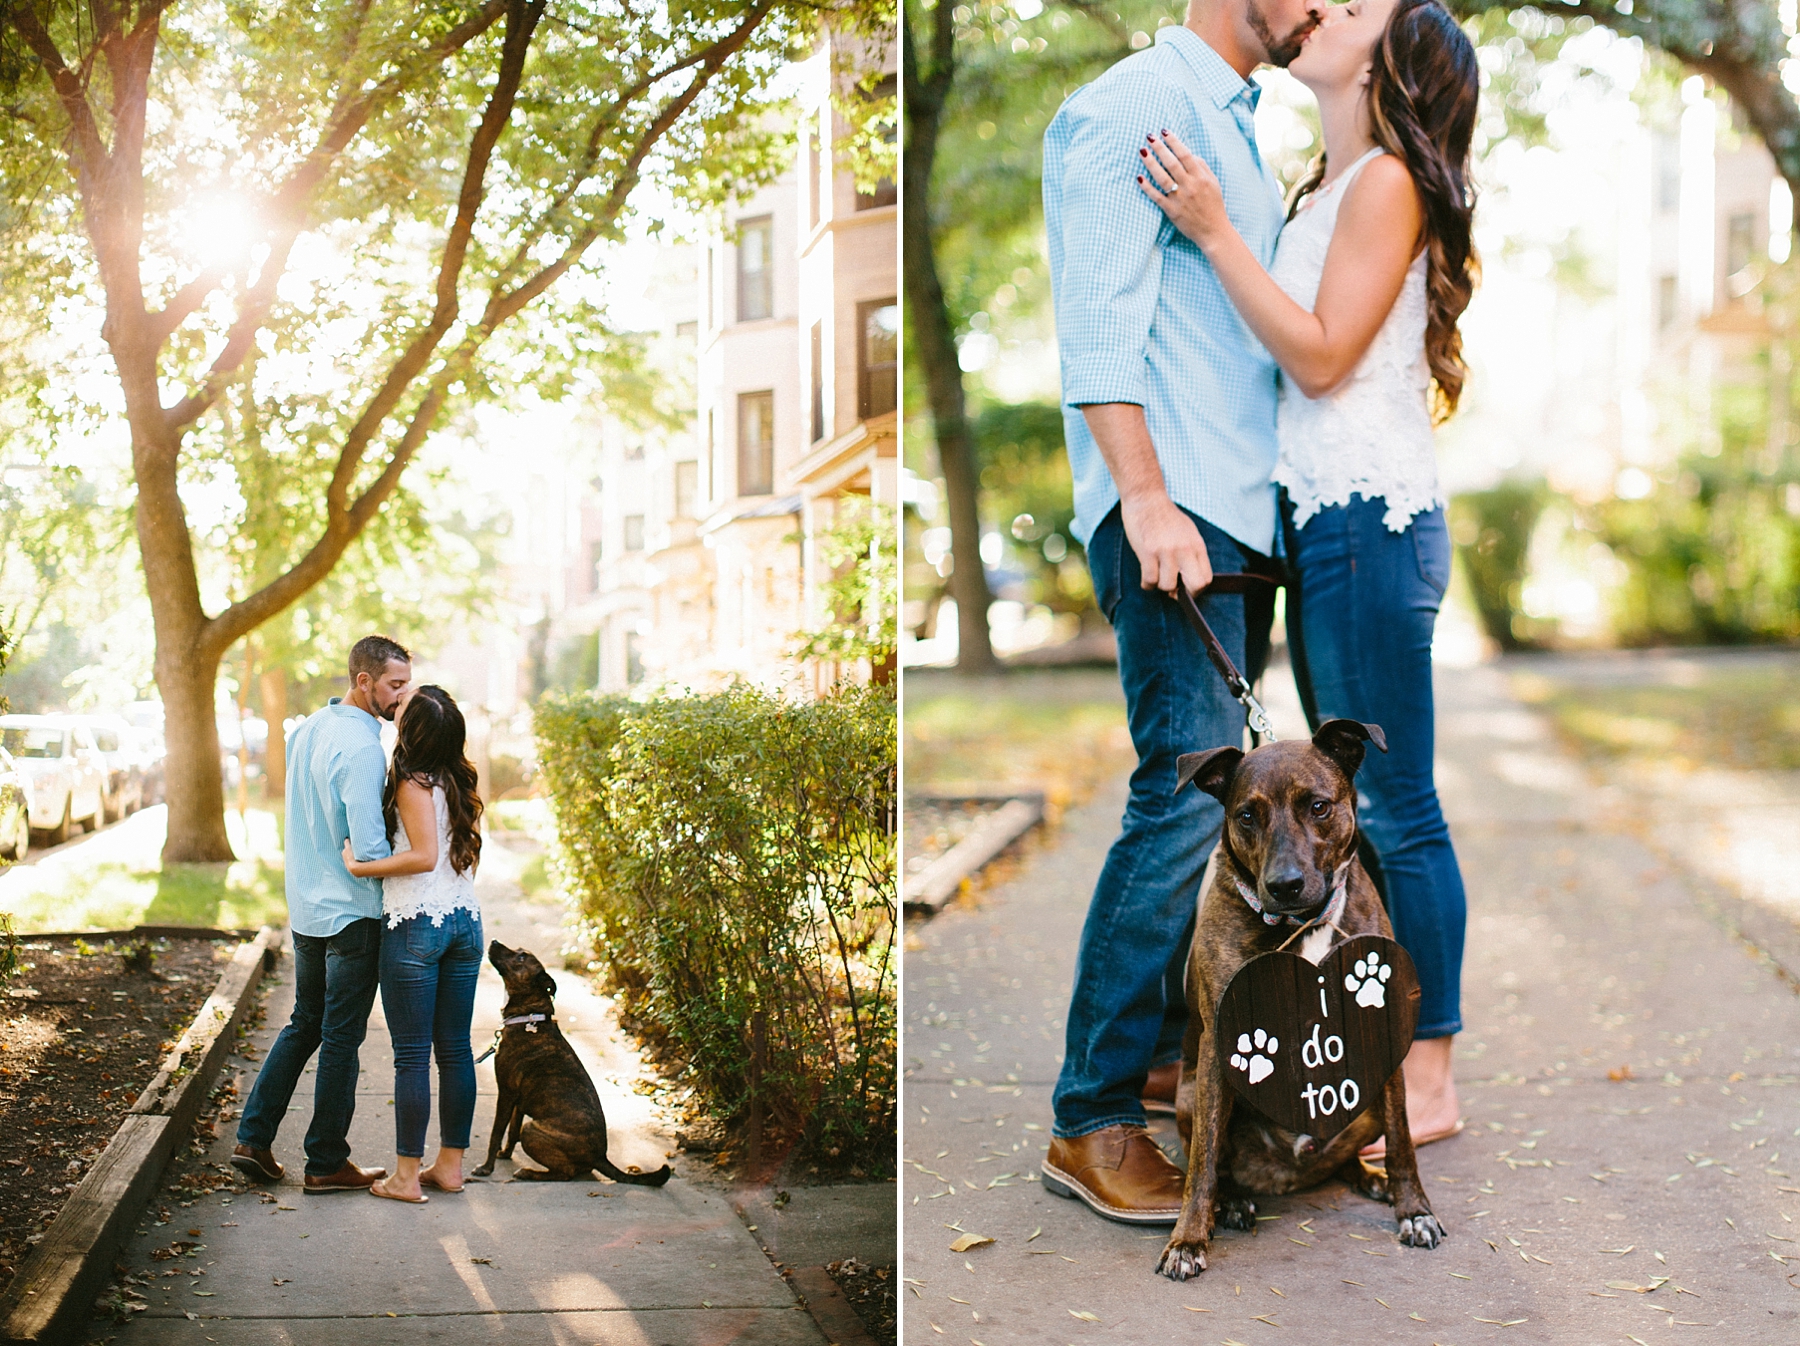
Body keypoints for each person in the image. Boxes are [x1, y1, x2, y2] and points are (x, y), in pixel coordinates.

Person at [1137, 0, 1479, 1153]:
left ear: (1394, 57)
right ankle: (1365, 1049)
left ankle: (1428, 1076)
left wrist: (1213, 229)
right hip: (1318, 521)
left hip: (1368, 521)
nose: (1324, 8)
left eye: (1359, 7)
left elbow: (1325, 355)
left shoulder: (1387, 180)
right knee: (1361, 812)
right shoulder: (1320, 187)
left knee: (1401, 806)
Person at [1040, 0, 1324, 1224]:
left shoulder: (1239, 129)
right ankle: (1091, 1117)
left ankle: (1162, 1056)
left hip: (1226, 516)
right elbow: (1097, 321)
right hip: (1175, 513)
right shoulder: (1129, 106)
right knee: (1177, 795)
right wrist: (1147, 497)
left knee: (1218, 802)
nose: (1323, 8)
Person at [232, 635, 411, 1192]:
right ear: (364, 682)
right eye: (395, 685)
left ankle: (252, 1139)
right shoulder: (362, 748)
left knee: (305, 1023)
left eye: (407, 683)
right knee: (339, 1037)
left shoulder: (310, 728)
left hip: (307, 907)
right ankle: (326, 1161)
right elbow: (371, 850)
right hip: (353, 915)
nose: (404, 695)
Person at [343, 684, 484, 1203]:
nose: (397, 702)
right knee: (454, 1049)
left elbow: (423, 856)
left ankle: (405, 1177)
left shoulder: (410, 779)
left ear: (413, 729)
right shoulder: (455, 777)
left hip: (416, 922)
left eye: (406, 703)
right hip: (464, 922)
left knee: (411, 1057)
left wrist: (361, 866)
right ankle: (449, 1167)